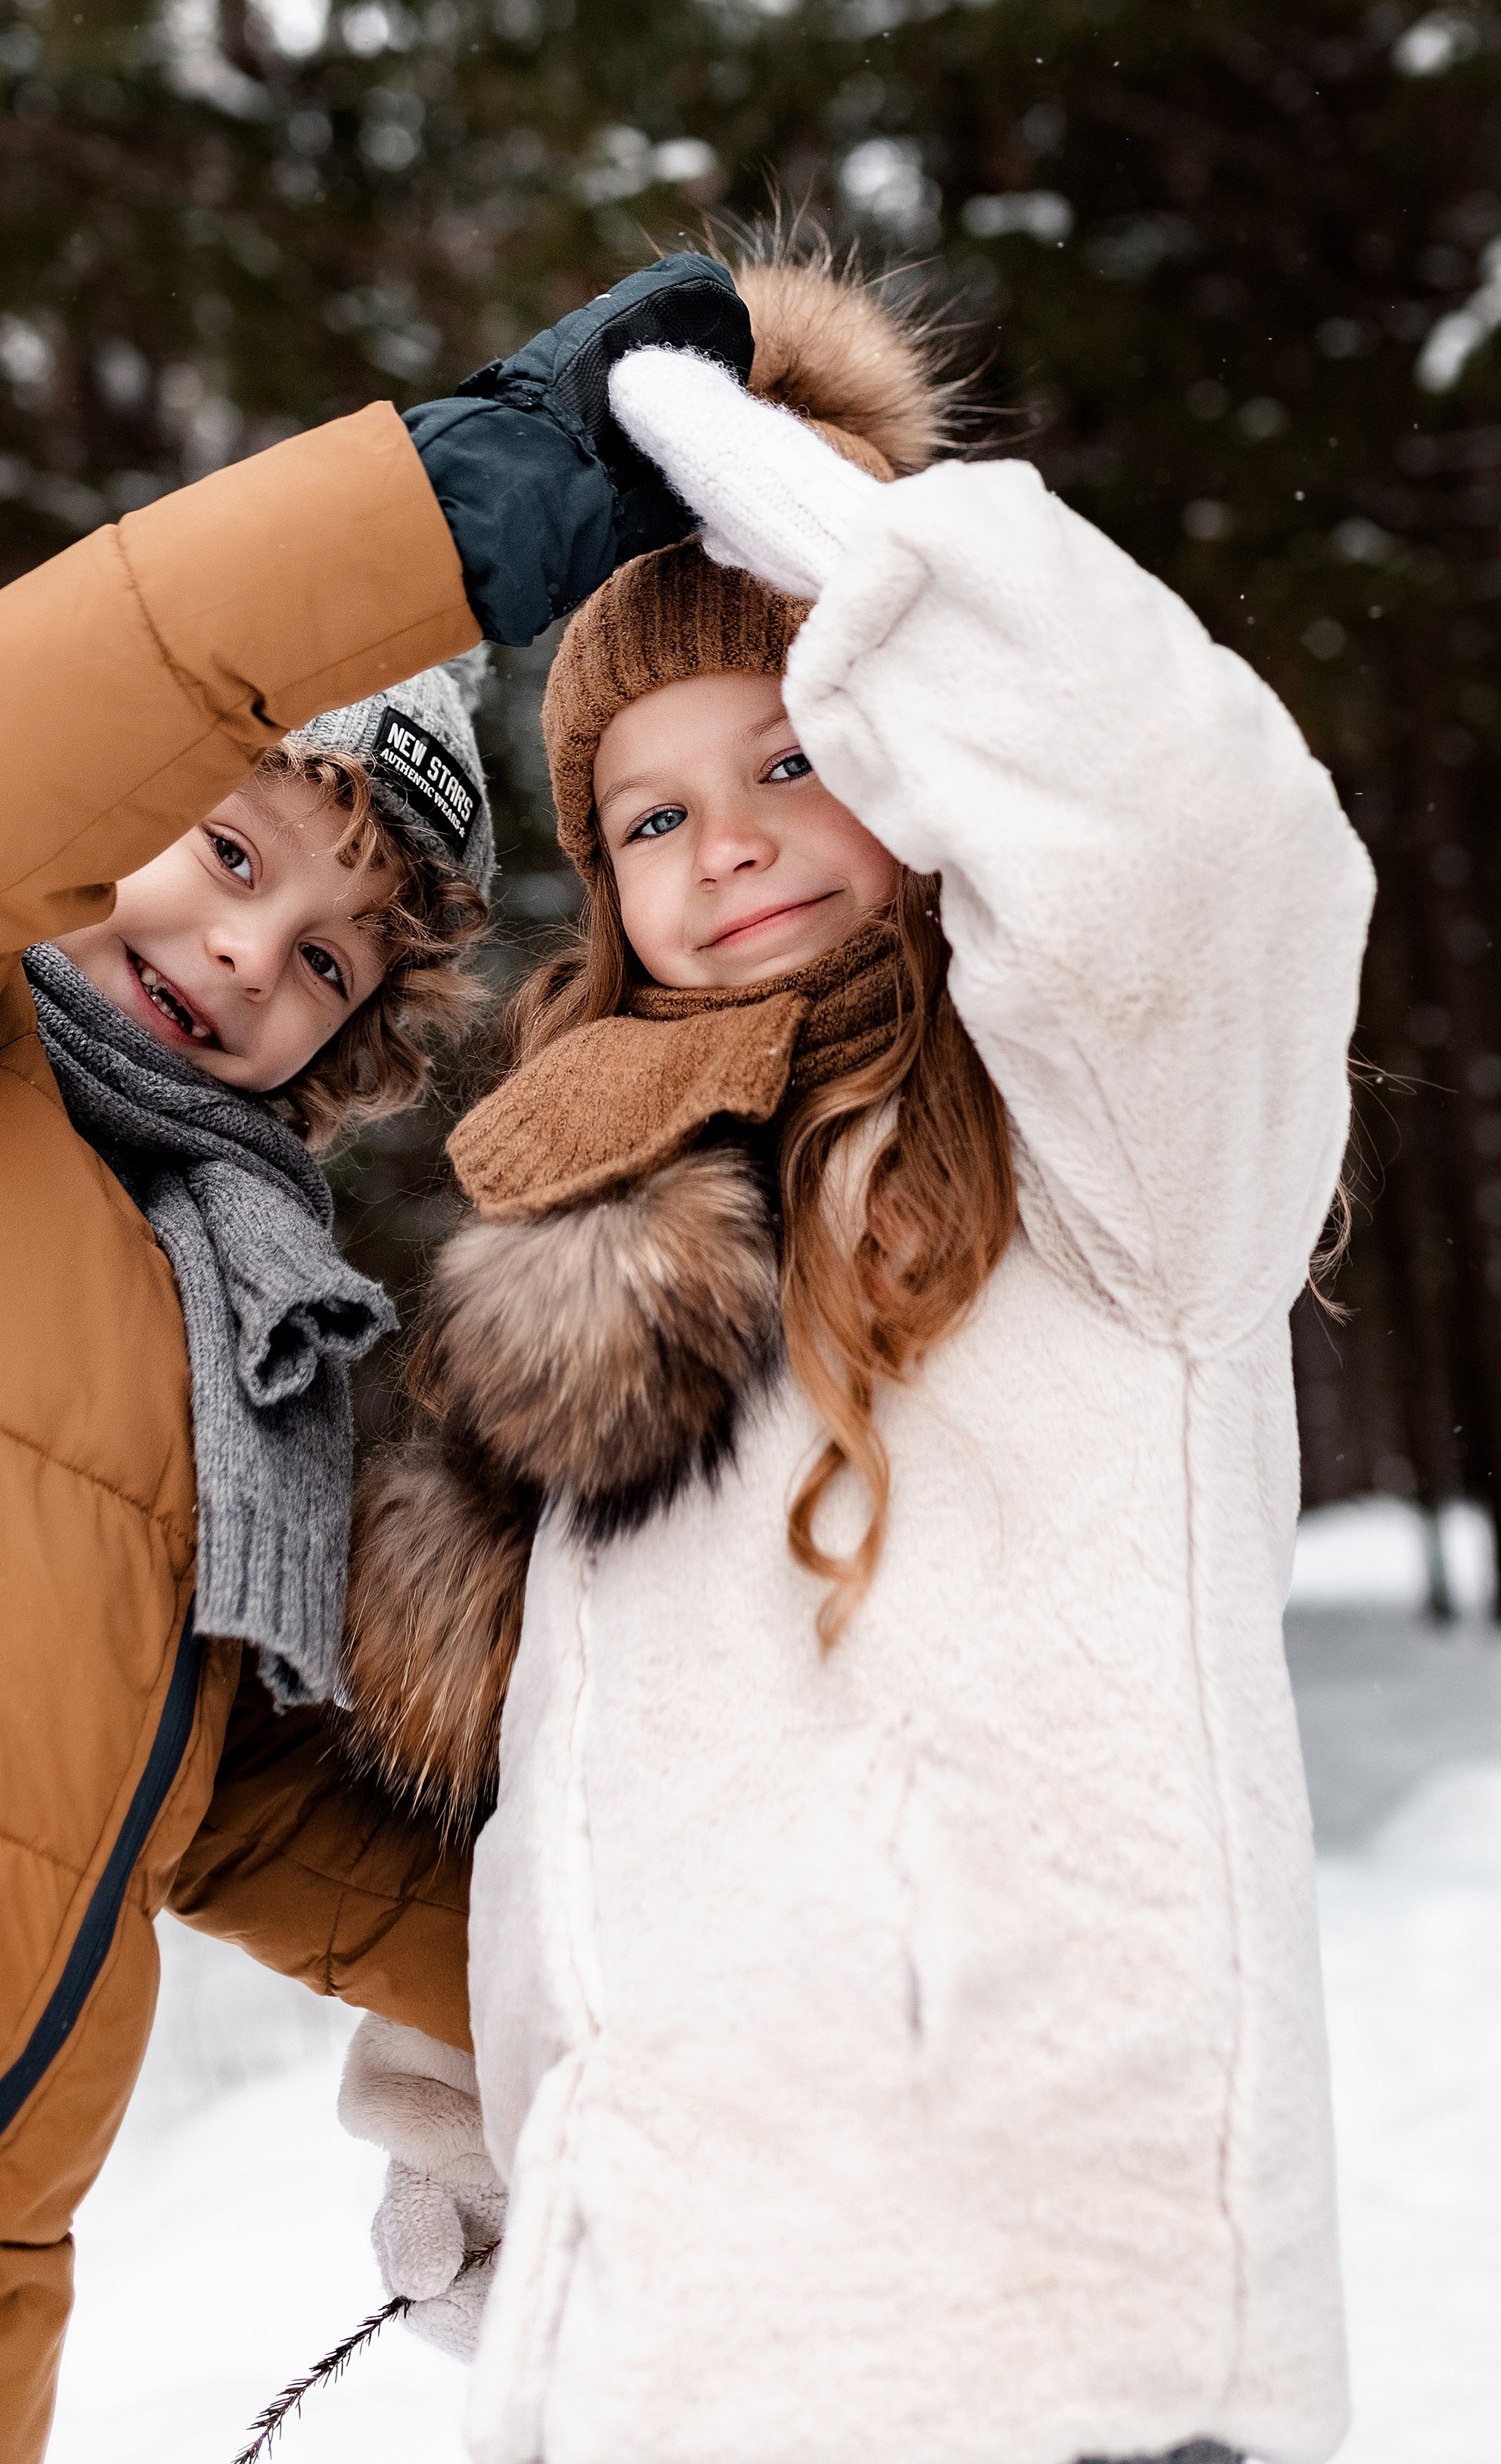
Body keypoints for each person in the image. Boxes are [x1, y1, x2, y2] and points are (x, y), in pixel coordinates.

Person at [0, 252, 753, 2464]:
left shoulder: (246, 1317)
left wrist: (656, 2000)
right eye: (222, 849)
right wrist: (473, 502)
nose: (240, 951)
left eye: (324, 955)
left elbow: (236, 1807)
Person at [336, 243, 1369, 2464]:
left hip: (1053, 2316)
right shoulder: (592, 1243)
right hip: (674, 2326)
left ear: (920, 744)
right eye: (649, 812)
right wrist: (477, 2110)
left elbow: (1198, 843)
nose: (728, 846)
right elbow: (568, 1771)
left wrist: (798, 499)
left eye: (797, 752)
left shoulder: (1110, 1149)